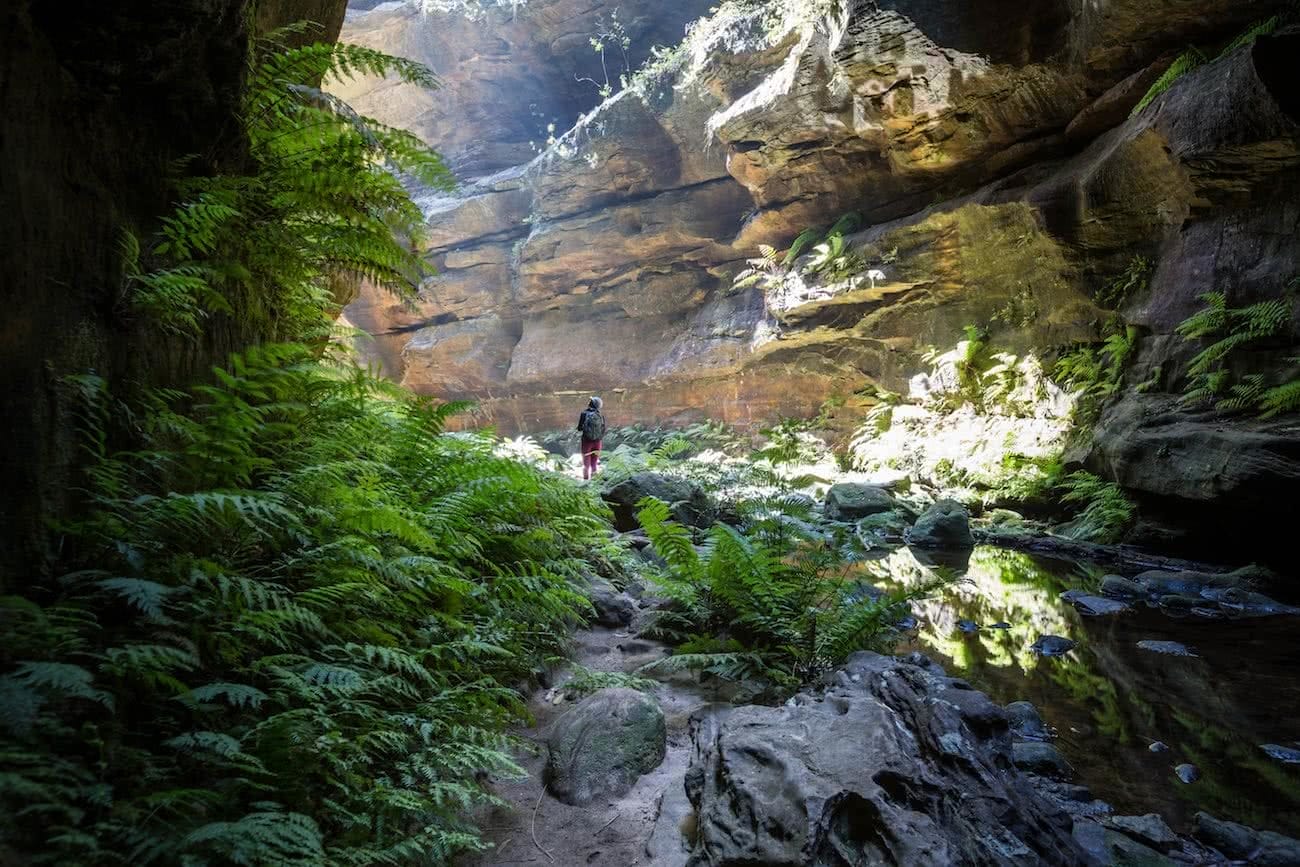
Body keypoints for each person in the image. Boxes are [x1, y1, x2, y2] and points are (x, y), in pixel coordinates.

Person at [577, 396, 606, 480]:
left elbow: (579, 428)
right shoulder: (600, 415)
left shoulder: (584, 413)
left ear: (591, 403)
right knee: (594, 464)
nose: (588, 401)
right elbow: (603, 429)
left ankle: (585, 483)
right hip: (598, 442)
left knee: (586, 465)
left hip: (586, 442)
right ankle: (594, 483)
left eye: (590, 401)